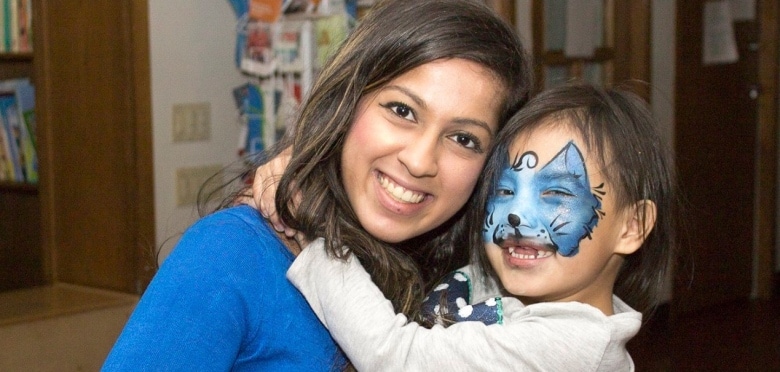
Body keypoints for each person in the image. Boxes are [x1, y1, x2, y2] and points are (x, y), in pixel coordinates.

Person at [102, 0, 532, 370]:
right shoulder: (232, 253)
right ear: (346, 103)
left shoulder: (479, 287)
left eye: (463, 139)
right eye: (401, 110)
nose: (419, 161)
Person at [283, 83, 679, 371]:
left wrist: (314, 231)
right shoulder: (504, 285)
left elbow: (396, 357)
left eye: (555, 193)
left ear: (632, 226)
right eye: (504, 190)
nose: (515, 214)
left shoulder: (575, 346)